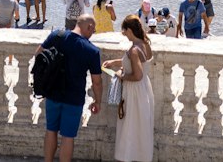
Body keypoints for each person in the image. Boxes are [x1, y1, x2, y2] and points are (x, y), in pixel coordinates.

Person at [38, 12, 103, 162]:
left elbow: (39, 55)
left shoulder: (56, 36)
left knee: (51, 131)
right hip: (74, 98)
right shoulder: (92, 51)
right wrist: (97, 101)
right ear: (89, 26)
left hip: (52, 92)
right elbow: (97, 82)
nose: (92, 34)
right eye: (93, 31)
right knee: (68, 137)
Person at [103, 14, 155, 162]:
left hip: (134, 92)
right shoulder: (145, 44)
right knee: (141, 128)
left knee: (130, 128)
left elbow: (136, 75)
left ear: (130, 30)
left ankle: (128, 158)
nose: (123, 34)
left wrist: (120, 76)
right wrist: (114, 62)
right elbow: (136, 65)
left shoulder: (134, 50)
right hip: (145, 89)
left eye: (124, 30)